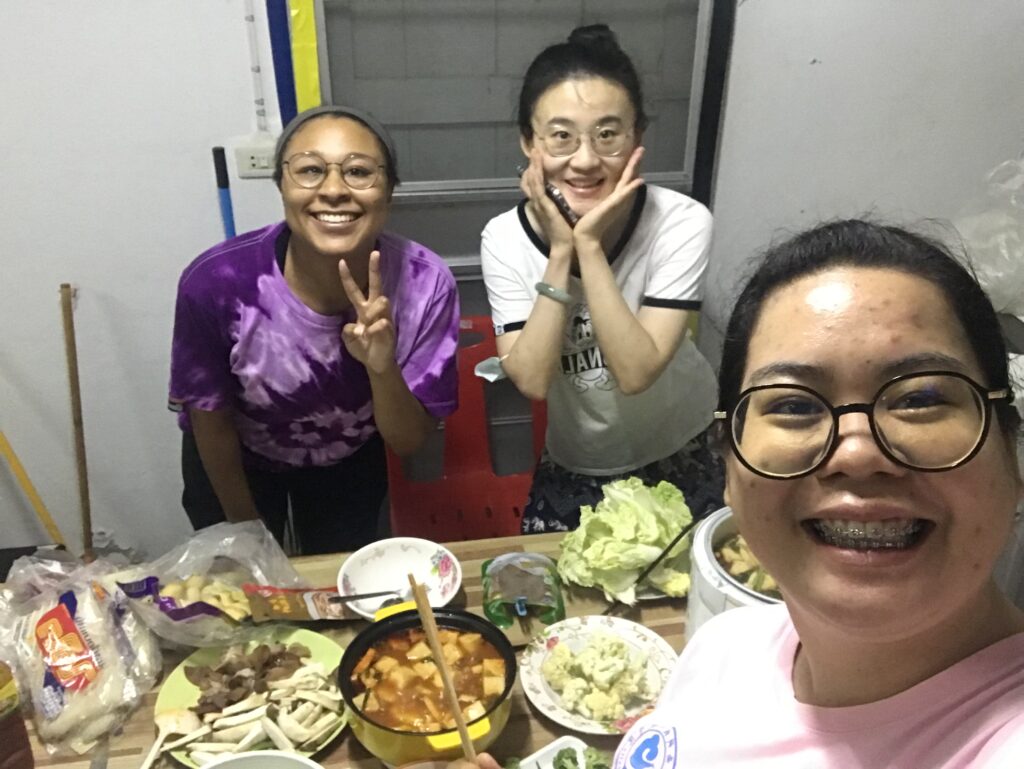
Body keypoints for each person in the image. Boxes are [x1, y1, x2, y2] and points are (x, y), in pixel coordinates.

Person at [607, 220, 1024, 767]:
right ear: (728, 463)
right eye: (794, 405)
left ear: (1011, 448)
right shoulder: (725, 645)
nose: (857, 454)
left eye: (920, 398)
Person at [168, 105, 459, 555]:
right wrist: (249, 537)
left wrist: (382, 367)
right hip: (236, 456)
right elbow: (210, 420)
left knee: (336, 580)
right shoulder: (216, 283)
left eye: (358, 171)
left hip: (348, 457)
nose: (334, 190)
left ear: (389, 191)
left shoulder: (426, 284)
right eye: (310, 170)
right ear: (282, 186)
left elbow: (408, 441)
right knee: (239, 580)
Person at [480, 24, 723, 533]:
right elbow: (531, 380)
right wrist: (560, 251)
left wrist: (587, 248)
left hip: (682, 444)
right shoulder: (503, 238)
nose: (586, 159)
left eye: (608, 135)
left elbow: (635, 372)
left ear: (637, 138)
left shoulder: (680, 221)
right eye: (561, 137)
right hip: (577, 458)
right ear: (528, 142)